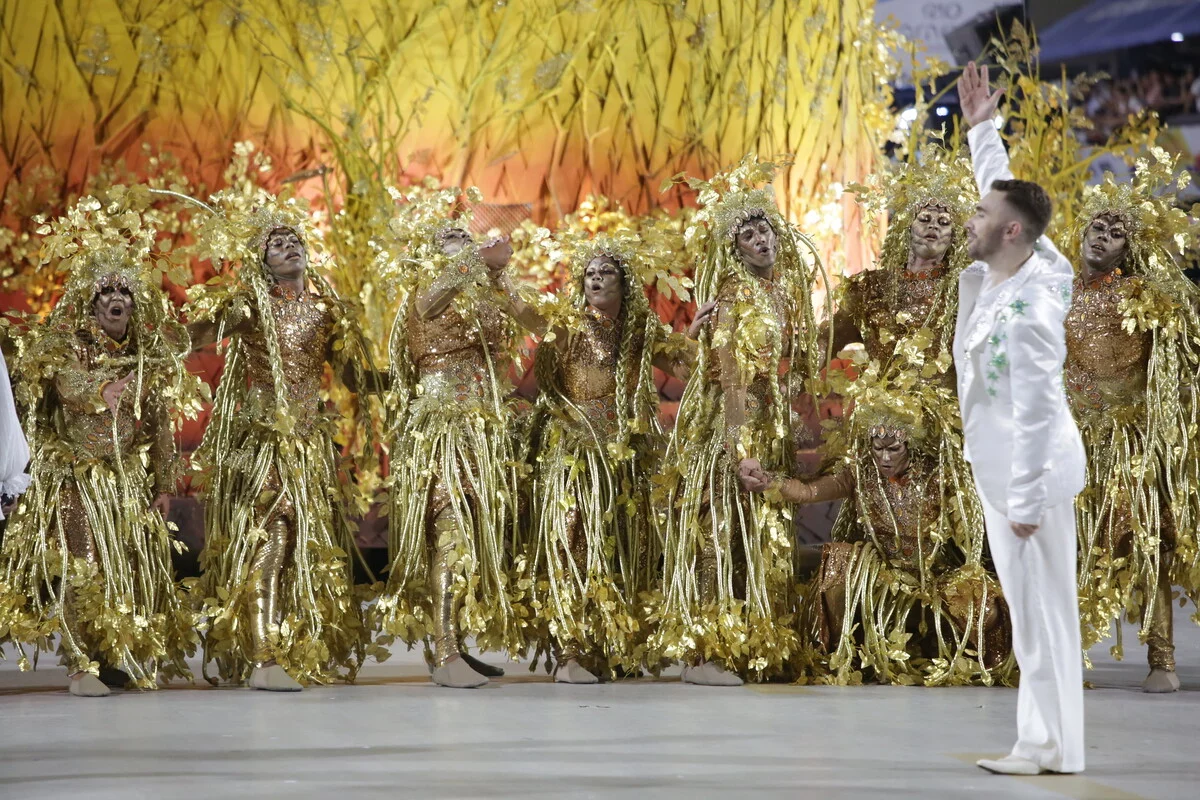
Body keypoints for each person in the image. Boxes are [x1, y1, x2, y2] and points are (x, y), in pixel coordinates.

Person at [0, 213, 200, 696]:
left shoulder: (145, 355)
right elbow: (65, 384)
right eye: (106, 292)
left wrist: (163, 486)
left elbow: (158, 424)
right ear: (91, 305)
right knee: (82, 565)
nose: (117, 299)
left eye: (125, 292)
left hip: (126, 483)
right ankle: (78, 664)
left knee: (123, 567)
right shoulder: (70, 344)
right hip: (79, 479)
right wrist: (103, 390)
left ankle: (111, 657)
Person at [187, 197, 382, 691]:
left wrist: (408, 376)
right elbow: (198, 336)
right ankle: (262, 657)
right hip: (262, 447)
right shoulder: (252, 306)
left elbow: (352, 375)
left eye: (294, 240)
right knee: (271, 540)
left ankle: (291, 645)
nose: (289, 247)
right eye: (276, 243)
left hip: (309, 449)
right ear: (261, 259)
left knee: (301, 546)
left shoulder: (323, 310)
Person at [954, 62, 1086, 775]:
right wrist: (982, 131)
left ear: (1008, 232)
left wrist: (1027, 500)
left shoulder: (1033, 308)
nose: (968, 221)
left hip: (1025, 476)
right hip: (1006, 470)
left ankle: (1039, 748)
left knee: (1035, 616)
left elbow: (1036, 409)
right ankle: (1059, 747)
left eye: (979, 215)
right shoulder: (1035, 263)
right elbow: (1009, 197)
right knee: (1044, 610)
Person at [651, 157, 824, 685]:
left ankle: (756, 645)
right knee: (720, 530)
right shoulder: (733, 293)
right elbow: (730, 376)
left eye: (763, 228)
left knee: (764, 535)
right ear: (735, 248)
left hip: (769, 426)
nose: (760, 239)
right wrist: (739, 448)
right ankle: (705, 653)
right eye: (746, 234)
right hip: (732, 427)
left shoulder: (785, 293)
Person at [738, 380, 1013, 687]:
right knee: (840, 560)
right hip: (883, 577)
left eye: (893, 449)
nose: (883, 458)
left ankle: (975, 662)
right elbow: (808, 490)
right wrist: (768, 481)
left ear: (911, 444)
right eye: (877, 448)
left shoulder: (941, 475)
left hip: (936, 575)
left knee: (984, 606)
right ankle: (845, 656)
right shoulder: (860, 472)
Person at [526, 233, 710, 683]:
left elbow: (683, 366)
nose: (595, 278)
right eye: (589, 273)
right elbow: (529, 318)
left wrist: (695, 333)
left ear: (624, 283)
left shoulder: (640, 332)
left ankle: (610, 648)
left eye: (605, 272)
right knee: (575, 544)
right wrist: (491, 277)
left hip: (625, 460)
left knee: (621, 549)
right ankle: (569, 654)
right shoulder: (568, 325)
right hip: (577, 456)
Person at [376, 188, 540, 689]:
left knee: (469, 533)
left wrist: (500, 274)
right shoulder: (425, 292)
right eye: (448, 238)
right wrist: (474, 259)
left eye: (464, 236)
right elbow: (428, 306)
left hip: (484, 429)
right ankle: (445, 651)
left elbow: (536, 324)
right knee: (447, 529)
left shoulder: (481, 290)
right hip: (441, 425)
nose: (461, 242)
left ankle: (454, 645)